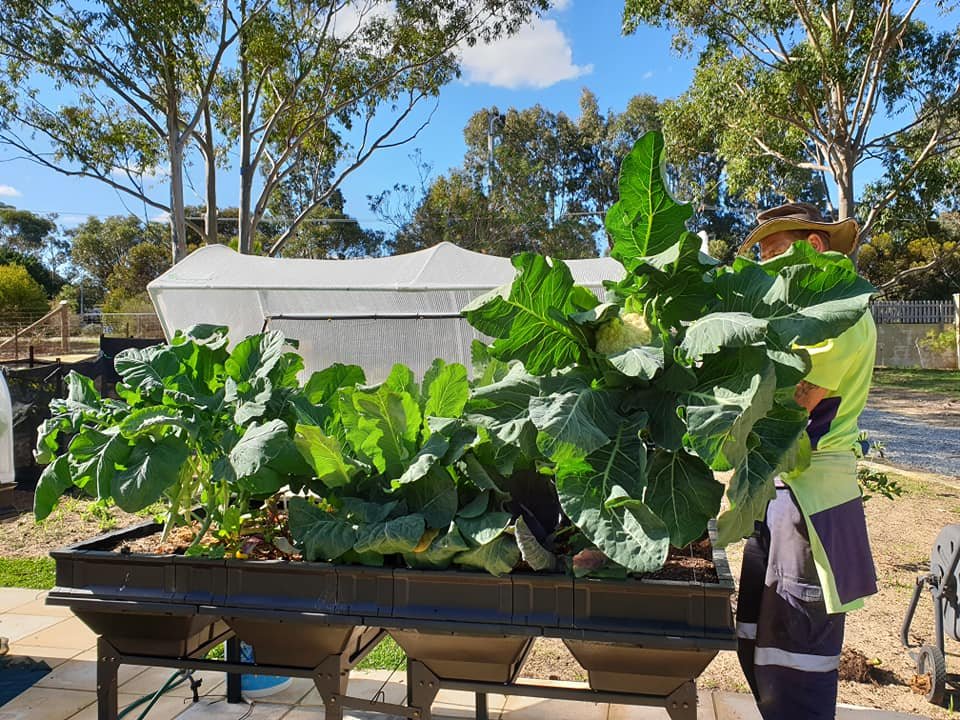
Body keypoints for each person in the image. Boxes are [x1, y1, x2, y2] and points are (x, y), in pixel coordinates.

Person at [734, 202, 879, 720]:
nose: (765, 269)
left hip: (812, 498)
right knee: (759, 636)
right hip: (778, 492)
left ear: (813, 247)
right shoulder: (799, 321)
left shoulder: (842, 315)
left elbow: (795, 400)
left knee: (798, 651)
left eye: (774, 255)